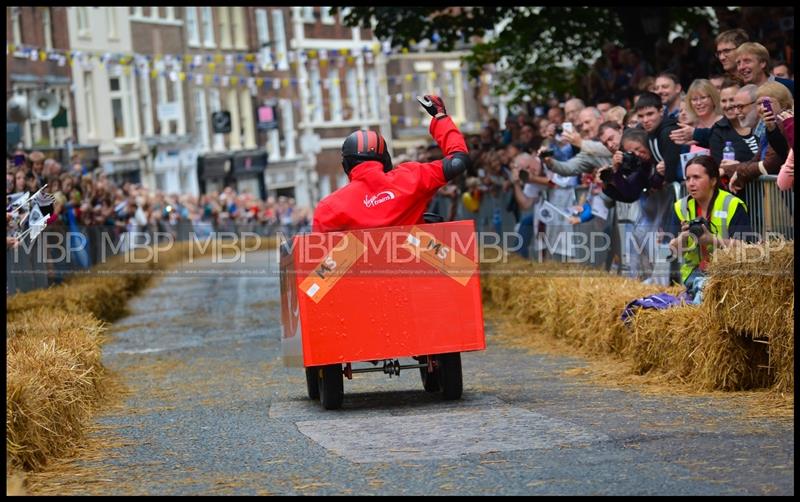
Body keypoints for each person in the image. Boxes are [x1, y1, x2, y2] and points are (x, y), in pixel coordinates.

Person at [312, 95, 470, 232]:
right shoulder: (411, 176)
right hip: (419, 264)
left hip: (368, 267)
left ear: (346, 165)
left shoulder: (329, 207)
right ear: (385, 159)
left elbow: (322, 258)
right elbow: (457, 162)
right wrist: (440, 117)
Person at [666, 155, 752, 303]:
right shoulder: (680, 207)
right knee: (701, 287)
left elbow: (747, 247)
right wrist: (684, 237)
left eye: (697, 177)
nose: (691, 183)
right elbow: (673, 251)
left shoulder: (732, 205)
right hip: (693, 275)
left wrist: (711, 239)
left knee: (704, 288)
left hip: (728, 274)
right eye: (688, 178)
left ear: (713, 180)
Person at [708, 80, 760, 164]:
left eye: (732, 100)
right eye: (723, 101)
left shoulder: (759, 122)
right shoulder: (718, 131)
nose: (728, 105)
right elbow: (720, 167)